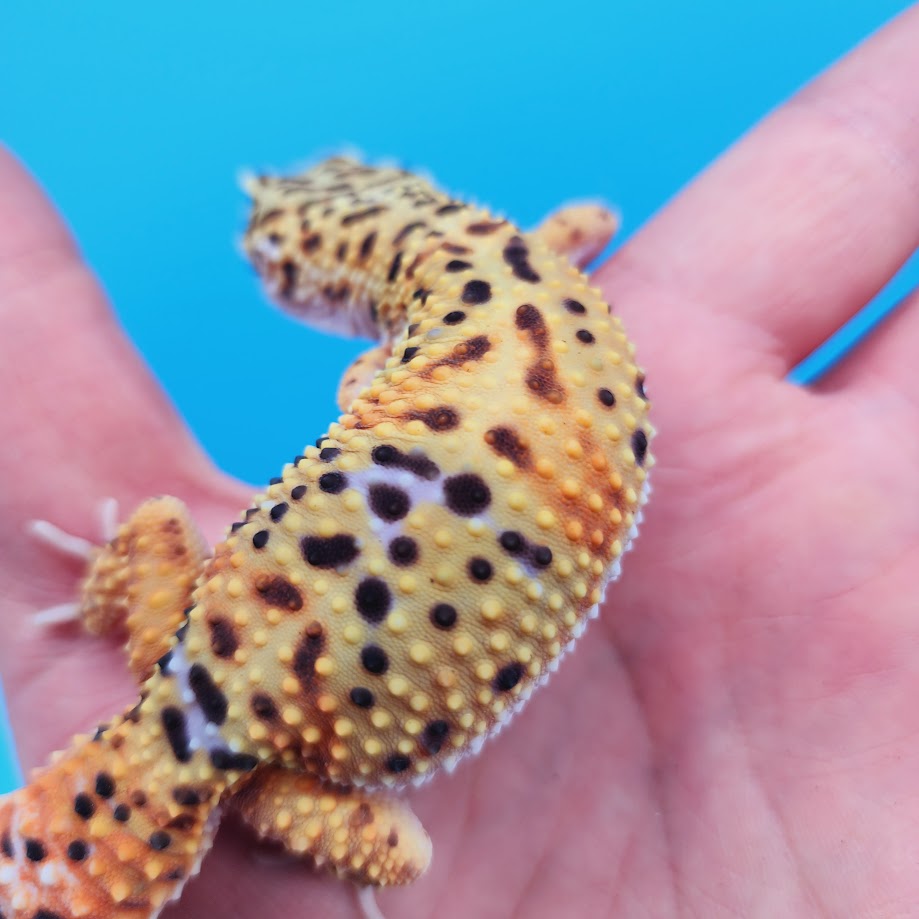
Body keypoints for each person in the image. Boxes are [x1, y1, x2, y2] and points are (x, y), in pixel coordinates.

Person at [1, 7, 917, 917]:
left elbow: (397, 852)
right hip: (445, 510)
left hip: (289, 633)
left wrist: (103, 601)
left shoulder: (261, 765)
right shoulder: (547, 255)